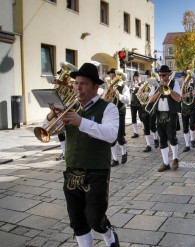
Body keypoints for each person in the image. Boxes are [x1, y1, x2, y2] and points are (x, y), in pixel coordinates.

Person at [46, 63, 120, 247]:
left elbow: (111, 135)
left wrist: (81, 122)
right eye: (76, 83)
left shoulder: (108, 108)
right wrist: (50, 117)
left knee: (95, 219)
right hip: (71, 169)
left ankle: (109, 235)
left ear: (96, 86)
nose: (78, 87)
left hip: (96, 171)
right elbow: (51, 132)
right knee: (77, 220)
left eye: (84, 83)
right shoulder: (68, 107)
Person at [148, 65, 181, 172]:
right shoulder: (156, 84)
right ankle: (165, 162)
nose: (162, 77)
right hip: (159, 114)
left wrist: (168, 89)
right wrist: (160, 89)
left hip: (170, 114)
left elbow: (178, 98)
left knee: (172, 137)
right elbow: (151, 100)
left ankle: (175, 158)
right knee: (162, 138)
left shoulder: (174, 83)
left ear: (169, 75)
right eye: (160, 75)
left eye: (164, 75)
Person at [104, 68, 130, 166]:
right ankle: (115, 159)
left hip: (119, 113)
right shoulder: (107, 86)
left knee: (119, 136)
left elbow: (127, 100)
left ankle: (124, 152)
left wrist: (118, 94)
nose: (112, 77)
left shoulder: (123, 87)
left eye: (113, 76)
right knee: (111, 137)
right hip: (109, 113)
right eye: (110, 76)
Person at [180, 71, 195, 152]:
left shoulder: (193, 85)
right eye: (184, 77)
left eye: (186, 77)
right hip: (184, 108)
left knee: (191, 125)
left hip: (192, 107)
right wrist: (186, 95)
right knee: (185, 127)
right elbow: (179, 97)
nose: (185, 79)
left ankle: (192, 140)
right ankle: (187, 145)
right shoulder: (181, 86)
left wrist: (194, 94)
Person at [130, 71, 141, 138]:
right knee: (133, 117)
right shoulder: (132, 83)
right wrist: (131, 88)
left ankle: (144, 129)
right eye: (135, 77)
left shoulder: (142, 83)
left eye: (137, 76)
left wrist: (138, 87)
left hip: (139, 102)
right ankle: (135, 132)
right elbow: (131, 92)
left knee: (141, 117)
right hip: (133, 102)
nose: (136, 78)